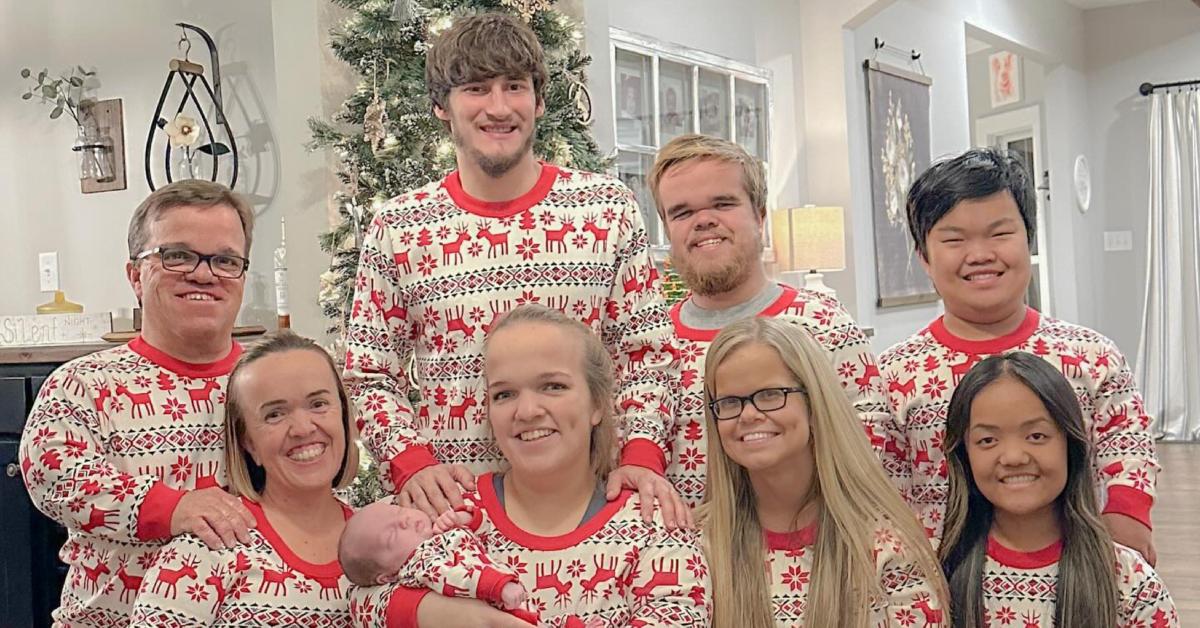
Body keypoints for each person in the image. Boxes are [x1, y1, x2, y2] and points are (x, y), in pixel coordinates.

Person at [344, 11, 687, 531]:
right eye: (476, 89)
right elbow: (368, 373)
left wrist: (640, 455)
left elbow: (647, 357)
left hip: (592, 511)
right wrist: (411, 463)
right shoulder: (400, 226)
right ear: (442, 106)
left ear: (539, 100)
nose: (498, 108)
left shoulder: (605, 210)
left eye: (515, 87)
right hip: (457, 518)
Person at [348, 305, 710, 627]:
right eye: (505, 394)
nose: (527, 411)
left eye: (552, 386)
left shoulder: (652, 524)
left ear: (598, 405)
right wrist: (444, 616)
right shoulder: (447, 511)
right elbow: (361, 595)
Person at [879, 148, 1160, 563]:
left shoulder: (1090, 356)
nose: (980, 254)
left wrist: (1126, 520)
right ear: (924, 257)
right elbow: (883, 489)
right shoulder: (893, 376)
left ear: (1028, 239)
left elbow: (1128, 442)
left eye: (999, 234)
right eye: (954, 240)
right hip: (942, 584)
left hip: (1075, 577)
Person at [19, 180, 258, 625]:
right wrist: (173, 508)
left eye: (225, 260)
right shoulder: (82, 384)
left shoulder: (273, 383)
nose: (204, 274)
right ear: (135, 276)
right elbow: (52, 473)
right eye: (178, 256)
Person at [647, 133, 894, 507]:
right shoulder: (651, 344)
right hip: (686, 558)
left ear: (759, 216)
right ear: (667, 229)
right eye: (682, 212)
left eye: (723, 203)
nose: (703, 221)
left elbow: (873, 450)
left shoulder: (822, 324)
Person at [700, 317, 947, 627]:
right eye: (729, 402)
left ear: (814, 403)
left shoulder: (887, 550)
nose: (748, 414)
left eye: (770, 395)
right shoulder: (696, 547)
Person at [130, 331, 360, 625]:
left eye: (318, 404)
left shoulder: (390, 537)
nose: (303, 428)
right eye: (274, 414)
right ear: (248, 443)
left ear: (342, 415)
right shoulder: (205, 550)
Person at [939, 352, 1177, 627]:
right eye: (988, 440)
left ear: (1070, 444)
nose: (1014, 456)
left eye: (1036, 436)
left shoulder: (1130, 583)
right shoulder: (935, 577)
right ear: (964, 455)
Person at [339, 500, 531, 619]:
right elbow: (456, 578)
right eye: (391, 535)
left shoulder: (438, 535)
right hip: (501, 605)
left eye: (397, 510)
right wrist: (499, 587)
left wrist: (463, 518)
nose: (403, 521)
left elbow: (485, 534)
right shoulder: (421, 564)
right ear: (387, 577)